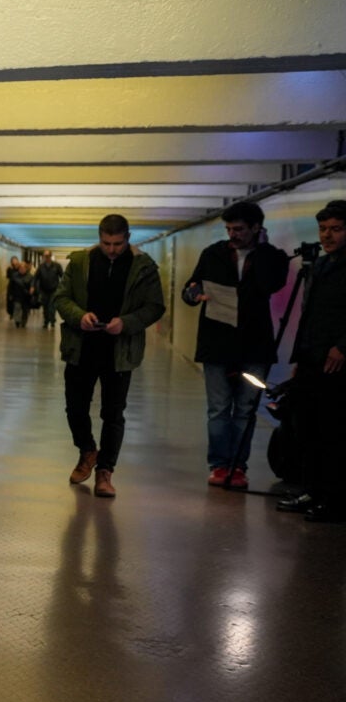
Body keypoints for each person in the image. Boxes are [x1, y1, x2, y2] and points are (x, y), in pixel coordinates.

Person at [52, 214, 165, 498]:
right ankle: (88, 450)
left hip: (119, 352)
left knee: (113, 413)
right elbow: (61, 298)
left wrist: (125, 323)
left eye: (117, 243)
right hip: (81, 347)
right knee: (75, 408)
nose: (112, 249)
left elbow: (155, 306)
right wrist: (80, 317)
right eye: (106, 243)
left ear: (128, 238)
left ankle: (105, 472)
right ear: (99, 237)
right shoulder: (80, 262)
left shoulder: (144, 266)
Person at [180, 201, 291, 489]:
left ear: (257, 228)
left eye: (240, 229)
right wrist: (193, 294)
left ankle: (238, 467)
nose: (233, 234)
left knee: (245, 408)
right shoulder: (213, 253)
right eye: (229, 229)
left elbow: (270, 284)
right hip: (217, 342)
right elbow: (190, 288)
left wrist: (261, 250)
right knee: (218, 408)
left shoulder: (273, 257)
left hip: (254, 345)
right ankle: (219, 465)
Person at [274, 200, 346, 522]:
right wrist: (301, 357)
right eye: (323, 229)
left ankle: (333, 498)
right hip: (312, 359)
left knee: (332, 430)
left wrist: (343, 346)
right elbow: (310, 315)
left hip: (337, 363)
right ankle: (313, 490)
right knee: (308, 428)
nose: (327, 235)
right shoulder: (322, 264)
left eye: (336, 229)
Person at [36, 254, 63, 329]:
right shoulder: (41, 266)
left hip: (54, 290)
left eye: (48, 256)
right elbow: (36, 277)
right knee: (45, 307)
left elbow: (62, 276)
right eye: (45, 257)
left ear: (50, 257)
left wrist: (62, 287)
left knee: (52, 307)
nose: (47, 258)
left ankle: (52, 321)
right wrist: (33, 286)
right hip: (44, 290)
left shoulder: (57, 266)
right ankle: (46, 321)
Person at [7, 257, 35, 328]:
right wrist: (10, 294)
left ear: (26, 268)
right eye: (20, 268)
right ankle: (17, 321)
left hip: (26, 297)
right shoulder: (14, 276)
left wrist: (32, 289)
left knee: (25, 310)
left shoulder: (30, 276)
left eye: (23, 268)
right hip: (17, 296)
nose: (22, 269)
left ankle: (24, 321)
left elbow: (33, 284)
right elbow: (10, 286)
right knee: (17, 308)